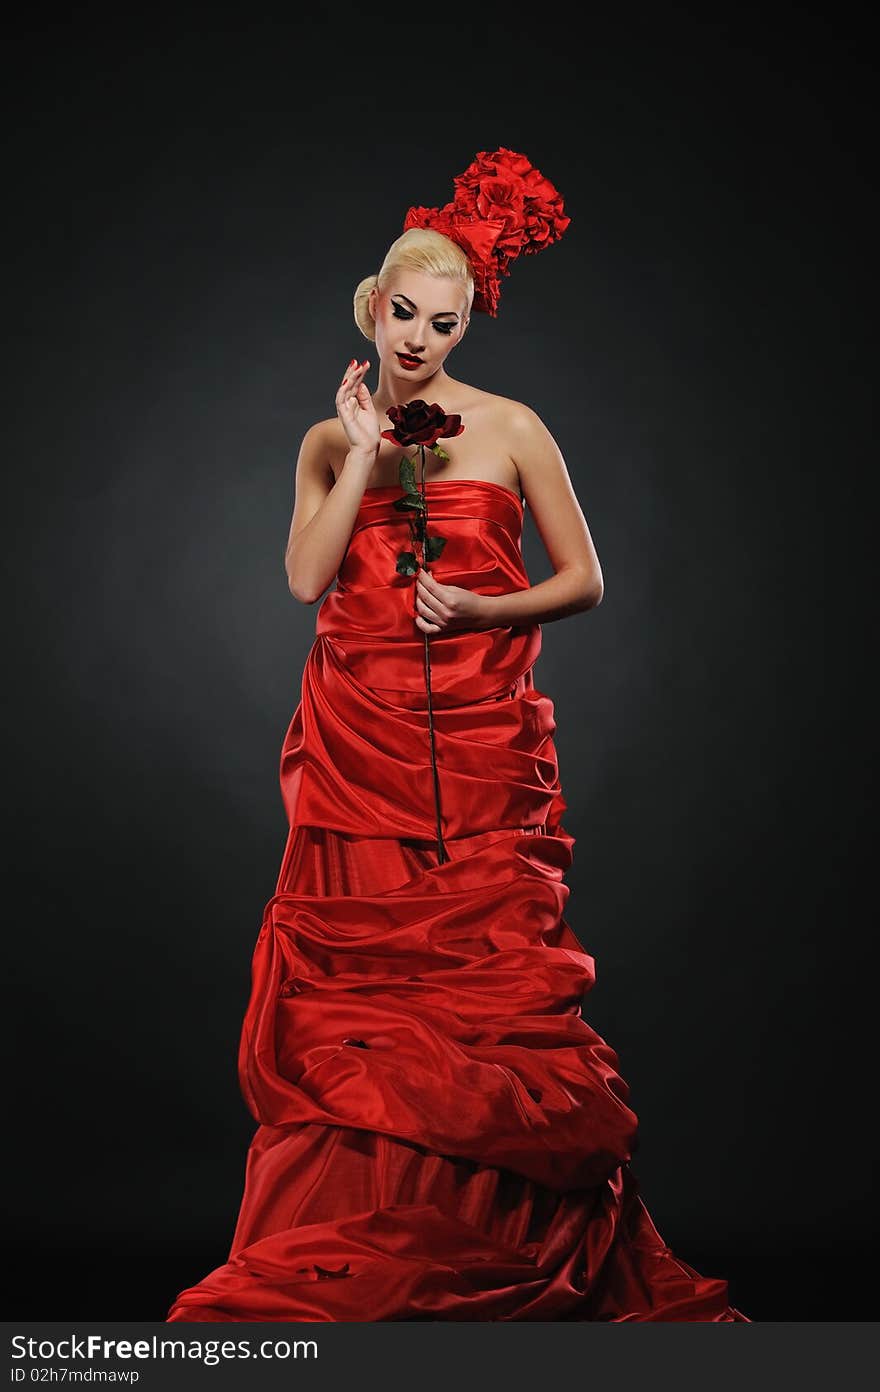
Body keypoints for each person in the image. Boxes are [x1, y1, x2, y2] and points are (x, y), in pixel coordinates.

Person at [166, 148, 749, 1322]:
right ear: (370, 309)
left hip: (481, 751)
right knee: (366, 1007)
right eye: (405, 313)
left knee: (480, 1002)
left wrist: (485, 606)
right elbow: (303, 578)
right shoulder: (331, 438)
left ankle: (497, 1245)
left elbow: (583, 580)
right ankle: (363, 1250)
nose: (423, 337)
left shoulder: (514, 427)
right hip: (357, 747)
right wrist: (369, 455)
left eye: (446, 321)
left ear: (464, 325)